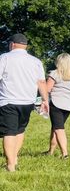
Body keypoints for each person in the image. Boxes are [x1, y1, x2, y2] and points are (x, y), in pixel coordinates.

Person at [0, 34, 49, 172]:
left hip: (8, 100)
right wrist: (45, 100)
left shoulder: (4, 58)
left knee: (9, 132)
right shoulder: (35, 61)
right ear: (25, 46)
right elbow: (41, 82)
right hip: (28, 101)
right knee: (20, 130)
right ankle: (14, 158)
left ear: (12, 44)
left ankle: (10, 165)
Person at [44, 53, 70, 159]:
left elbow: (47, 89)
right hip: (68, 105)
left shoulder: (54, 74)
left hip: (56, 104)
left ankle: (65, 154)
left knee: (59, 129)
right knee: (55, 127)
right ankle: (50, 151)